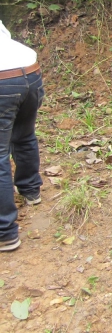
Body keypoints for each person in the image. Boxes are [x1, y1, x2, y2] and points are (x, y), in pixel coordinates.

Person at [0, 20, 45, 252]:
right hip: (30, 70)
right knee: (24, 135)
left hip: (2, 79)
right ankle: (30, 190)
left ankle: (5, 232)